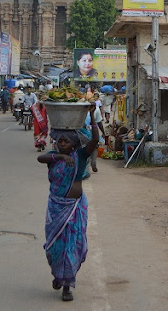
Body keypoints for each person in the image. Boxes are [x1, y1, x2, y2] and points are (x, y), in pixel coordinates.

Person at [37, 105, 99, 302]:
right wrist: (60, 156)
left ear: (73, 144)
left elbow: (95, 141)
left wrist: (92, 117)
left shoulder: (80, 156)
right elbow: (41, 157)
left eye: (66, 142)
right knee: (55, 248)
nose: (62, 143)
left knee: (72, 247)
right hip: (56, 208)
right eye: (59, 141)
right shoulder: (53, 158)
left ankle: (66, 286)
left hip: (75, 209)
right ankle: (58, 275)